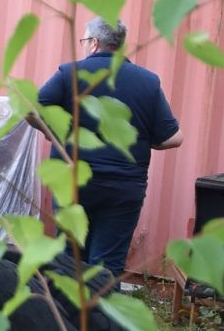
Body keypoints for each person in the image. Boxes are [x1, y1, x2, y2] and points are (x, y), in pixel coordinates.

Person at [35, 17, 182, 276]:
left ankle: (67, 315)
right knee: (107, 267)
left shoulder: (69, 73)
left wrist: (54, 133)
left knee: (70, 259)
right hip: (123, 187)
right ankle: (100, 315)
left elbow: (29, 109)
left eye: (84, 41)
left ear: (94, 43)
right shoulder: (148, 81)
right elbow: (173, 138)